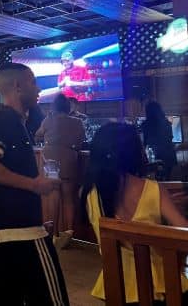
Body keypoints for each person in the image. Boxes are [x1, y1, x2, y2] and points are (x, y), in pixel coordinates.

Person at [0, 63, 69, 306]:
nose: (38, 88)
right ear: (18, 86)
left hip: (8, 232)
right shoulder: (6, 118)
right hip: (24, 231)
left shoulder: (14, 121)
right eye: (33, 82)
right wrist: (34, 185)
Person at [80, 123, 188, 303]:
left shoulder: (88, 194)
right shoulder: (152, 190)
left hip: (116, 289)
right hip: (163, 289)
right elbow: (184, 235)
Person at [35, 93, 85, 248]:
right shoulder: (78, 122)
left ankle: (54, 233)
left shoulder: (48, 120)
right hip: (70, 157)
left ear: (53, 107)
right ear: (68, 107)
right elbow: (81, 141)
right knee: (69, 197)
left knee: (54, 194)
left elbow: (37, 135)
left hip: (50, 159)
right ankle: (69, 232)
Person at [141, 101, 177, 180]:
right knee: (167, 179)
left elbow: (144, 142)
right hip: (169, 155)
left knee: (155, 180)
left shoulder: (145, 125)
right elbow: (170, 137)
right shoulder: (167, 123)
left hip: (155, 156)